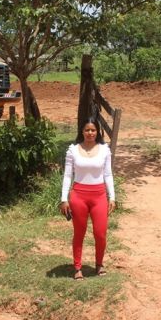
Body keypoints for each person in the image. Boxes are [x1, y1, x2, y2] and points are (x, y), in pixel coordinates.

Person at [60, 118, 116, 280]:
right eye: (87, 130)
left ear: (97, 132)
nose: (90, 133)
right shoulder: (73, 150)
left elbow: (108, 174)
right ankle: (77, 267)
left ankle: (99, 264)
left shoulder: (105, 150)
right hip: (78, 196)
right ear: (82, 132)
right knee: (79, 232)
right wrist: (64, 199)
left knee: (100, 233)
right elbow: (67, 175)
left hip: (99, 196)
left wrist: (112, 197)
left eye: (93, 130)